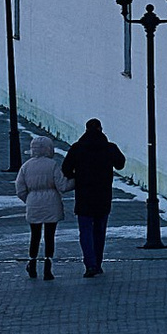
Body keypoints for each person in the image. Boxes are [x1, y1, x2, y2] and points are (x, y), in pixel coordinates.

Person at [63, 118, 122, 277]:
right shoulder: (109, 148)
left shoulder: (77, 148)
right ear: (101, 129)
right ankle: (98, 262)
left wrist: (78, 176)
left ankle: (90, 263)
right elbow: (120, 163)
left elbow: (66, 169)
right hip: (103, 196)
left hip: (84, 196)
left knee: (85, 231)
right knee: (99, 231)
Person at [15, 140, 66, 278]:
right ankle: (48, 267)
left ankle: (32, 264)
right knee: (50, 236)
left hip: (34, 205)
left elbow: (20, 189)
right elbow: (62, 186)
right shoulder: (53, 165)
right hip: (52, 204)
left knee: (35, 235)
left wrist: (30, 200)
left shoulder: (26, 166)